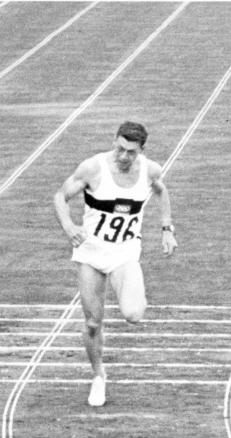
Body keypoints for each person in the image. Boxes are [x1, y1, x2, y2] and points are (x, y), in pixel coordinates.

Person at [54, 121, 177, 407]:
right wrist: (69, 225)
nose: (123, 156)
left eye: (131, 152)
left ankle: (132, 288)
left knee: (134, 314)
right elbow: (60, 196)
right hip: (91, 254)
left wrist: (167, 229)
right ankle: (98, 376)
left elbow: (161, 191)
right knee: (93, 322)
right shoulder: (93, 168)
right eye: (120, 149)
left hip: (124, 253)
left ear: (141, 151)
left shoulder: (150, 170)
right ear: (114, 142)